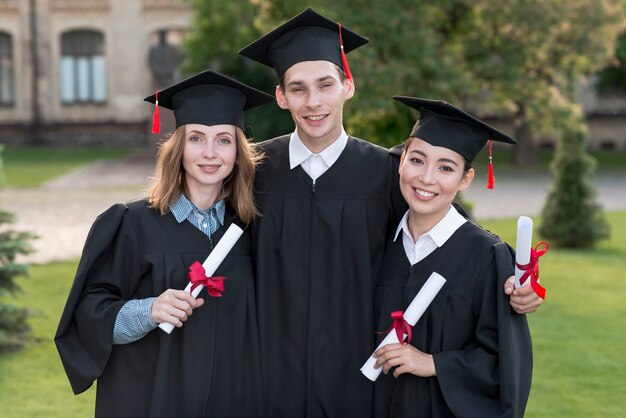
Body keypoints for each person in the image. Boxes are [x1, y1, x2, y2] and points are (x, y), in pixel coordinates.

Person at [239, 8, 540, 417]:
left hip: (364, 389)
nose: (314, 101)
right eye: (298, 88)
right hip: (269, 383)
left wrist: (519, 285)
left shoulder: (387, 172)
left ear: (348, 85)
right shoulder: (252, 171)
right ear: (280, 96)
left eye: (326, 84)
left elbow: (452, 241)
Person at [54, 69, 274, 417]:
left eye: (223, 140)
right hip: (151, 400)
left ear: (237, 151)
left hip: (232, 399)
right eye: (197, 138)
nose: (210, 153)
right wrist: (148, 310)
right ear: (179, 146)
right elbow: (87, 316)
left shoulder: (250, 232)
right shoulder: (130, 224)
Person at [373, 96, 532, 418]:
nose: (427, 178)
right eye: (417, 160)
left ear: (465, 180)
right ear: (401, 160)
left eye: (446, 167)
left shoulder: (488, 258)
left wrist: (434, 363)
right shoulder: (375, 242)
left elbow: (506, 365)